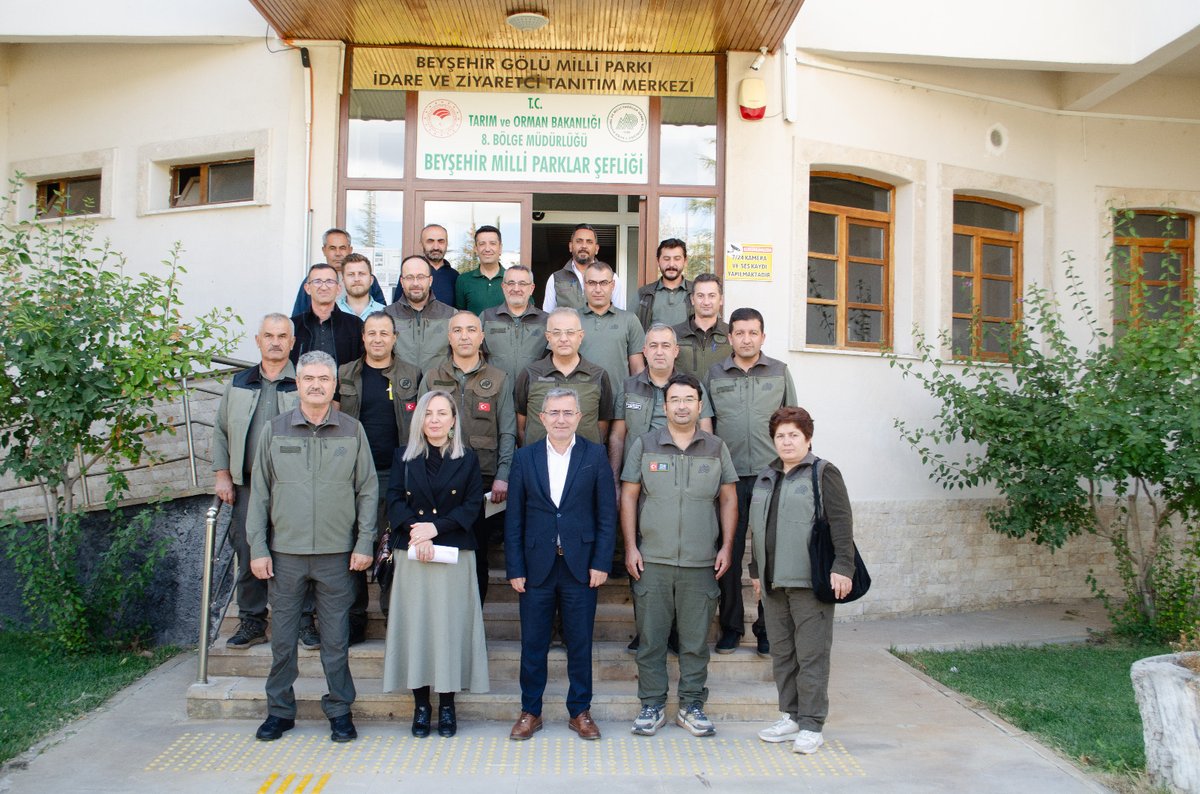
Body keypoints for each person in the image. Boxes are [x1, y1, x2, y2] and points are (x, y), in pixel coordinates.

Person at [246, 351, 377, 744]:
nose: (317, 385)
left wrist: (364, 541)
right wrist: (258, 547)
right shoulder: (274, 430)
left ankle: (340, 710)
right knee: (283, 641)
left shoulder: (352, 430)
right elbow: (259, 494)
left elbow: (368, 490)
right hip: (285, 554)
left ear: (334, 385)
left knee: (335, 641)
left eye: (324, 378)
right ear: (298, 384)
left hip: (337, 556)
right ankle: (279, 711)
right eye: (309, 378)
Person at [620, 373, 738, 738]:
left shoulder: (716, 447)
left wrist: (727, 547)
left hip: (701, 563)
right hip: (652, 561)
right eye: (675, 399)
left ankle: (691, 705)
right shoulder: (644, 444)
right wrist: (631, 547)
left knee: (695, 642)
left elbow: (729, 498)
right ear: (665, 405)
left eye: (689, 399)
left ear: (700, 406)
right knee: (651, 641)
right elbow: (629, 496)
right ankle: (652, 705)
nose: (682, 406)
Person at [504, 388, 616, 741]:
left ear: (579, 417)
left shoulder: (595, 455)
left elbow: (606, 515)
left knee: (580, 643)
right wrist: (515, 567)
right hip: (536, 566)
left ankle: (580, 711)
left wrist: (601, 562)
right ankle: (530, 711)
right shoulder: (525, 457)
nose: (561, 419)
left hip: (580, 567)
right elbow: (514, 518)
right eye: (554, 412)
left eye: (568, 412)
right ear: (542, 418)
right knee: (533, 644)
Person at [749, 406, 856, 755]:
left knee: (811, 656)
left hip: (810, 582)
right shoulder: (767, 476)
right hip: (773, 582)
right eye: (780, 436)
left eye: (793, 435)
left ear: (808, 438)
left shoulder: (823, 473)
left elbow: (841, 522)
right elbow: (758, 529)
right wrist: (755, 571)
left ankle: (812, 725)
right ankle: (791, 716)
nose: (787, 441)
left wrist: (843, 566)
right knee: (783, 653)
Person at [383, 390, 489, 739]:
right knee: (417, 629)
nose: (435, 420)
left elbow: (472, 506)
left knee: (448, 630)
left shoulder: (468, 458)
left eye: (442, 413)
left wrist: (435, 529)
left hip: (454, 552)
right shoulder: (403, 456)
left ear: (453, 420)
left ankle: (446, 705)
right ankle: (421, 705)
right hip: (413, 551)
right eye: (428, 413)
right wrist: (419, 532)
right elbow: (393, 500)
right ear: (419, 419)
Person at [705, 307, 797, 656]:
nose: (746, 339)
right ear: (730, 337)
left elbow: (795, 425)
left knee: (768, 553)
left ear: (762, 336)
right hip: (727, 479)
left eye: (753, 333)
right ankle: (730, 628)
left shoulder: (779, 372)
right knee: (726, 553)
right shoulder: (714, 374)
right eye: (740, 333)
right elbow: (707, 427)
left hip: (769, 477)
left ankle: (766, 629)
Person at [210, 313, 298, 649]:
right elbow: (221, 431)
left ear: (292, 342)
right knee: (248, 552)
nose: (275, 342)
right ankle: (252, 621)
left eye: (282, 336)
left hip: (294, 487)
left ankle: (304, 620)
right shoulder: (238, 384)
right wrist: (222, 475)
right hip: (247, 485)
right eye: (269, 336)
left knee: (298, 553)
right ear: (258, 340)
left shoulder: (303, 381)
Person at [419, 310, 516, 603]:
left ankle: (473, 617)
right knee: (439, 548)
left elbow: (508, 431)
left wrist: (503, 475)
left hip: (482, 481)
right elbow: (418, 431)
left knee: (476, 552)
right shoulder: (432, 376)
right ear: (449, 337)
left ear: (481, 337)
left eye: (471, 330)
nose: (465, 336)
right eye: (458, 330)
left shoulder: (499, 379)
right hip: (436, 480)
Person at [337, 312, 422, 629]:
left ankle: (392, 619)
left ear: (394, 338)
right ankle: (355, 618)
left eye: (384, 333)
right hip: (352, 475)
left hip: (394, 475)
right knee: (354, 543)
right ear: (363, 337)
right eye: (371, 333)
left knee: (392, 547)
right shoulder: (345, 373)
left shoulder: (412, 374)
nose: (377, 339)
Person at [514, 307, 614, 446]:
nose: (563, 339)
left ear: (580, 336)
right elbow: (521, 427)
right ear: (548, 337)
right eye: (556, 333)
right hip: (539, 458)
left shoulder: (598, 376)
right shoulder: (530, 374)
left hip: (584, 458)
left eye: (570, 333)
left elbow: (602, 427)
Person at [577, 261, 645, 411]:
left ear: (612, 285)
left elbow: (637, 369)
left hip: (619, 404)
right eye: (592, 283)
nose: (598, 289)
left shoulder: (629, 320)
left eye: (604, 283)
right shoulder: (571, 319)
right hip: (579, 403)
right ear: (584, 285)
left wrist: (636, 404)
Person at [480, 264, 548, 393]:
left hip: (533, 393)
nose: (516, 289)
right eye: (511, 283)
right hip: (494, 393)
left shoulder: (546, 321)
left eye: (522, 284)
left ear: (531, 288)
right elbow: (476, 356)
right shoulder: (486, 317)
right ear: (503, 287)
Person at [384, 254, 456, 373]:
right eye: (409, 277)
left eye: (421, 277)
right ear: (402, 281)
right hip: (399, 383)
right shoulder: (386, 316)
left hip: (439, 384)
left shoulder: (451, 315)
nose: (415, 283)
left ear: (430, 280)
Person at [292, 228, 386, 317]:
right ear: (324, 250)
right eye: (332, 248)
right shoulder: (313, 281)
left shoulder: (366, 279)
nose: (338, 253)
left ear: (350, 250)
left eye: (342, 248)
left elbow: (382, 314)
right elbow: (299, 317)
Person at [290, 263, 365, 367]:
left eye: (330, 282)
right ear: (307, 288)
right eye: (317, 281)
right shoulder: (293, 326)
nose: (324, 287)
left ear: (338, 289)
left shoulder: (355, 325)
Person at [542, 223, 626, 312]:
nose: (584, 246)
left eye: (589, 242)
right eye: (579, 241)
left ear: (596, 249)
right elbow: (547, 316)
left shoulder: (611, 278)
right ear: (570, 246)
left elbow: (620, 315)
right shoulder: (556, 278)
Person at [673, 273, 730, 381]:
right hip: (684, 391)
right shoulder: (674, 334)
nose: (706, 302)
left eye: (712, 296)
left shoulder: (732, 334)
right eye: (700, 296)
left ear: (721, 299)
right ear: (692, 299)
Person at [393, 224, 458, 308]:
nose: (436, 247)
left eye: (441, 241)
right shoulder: (410, 274)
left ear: (446, 244)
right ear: (421, 244)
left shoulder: (455, 276)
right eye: (430, 241)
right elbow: (397, 309)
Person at [635, 238, 694, 330]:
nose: (671, 264)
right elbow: (630, 329)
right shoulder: (643, 294)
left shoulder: (696, 292)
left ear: (685, 261)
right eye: (666, 259)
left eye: (677, 259)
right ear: (658, 261)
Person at [455, 225, 506, 314]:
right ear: (476, 249)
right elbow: (460, 316)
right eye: (482, 244)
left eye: (492, 243)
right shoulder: (463, 280)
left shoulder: (513, 280)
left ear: (500, 248)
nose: (487, 249)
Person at [336, 253, 387, 320]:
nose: (356, 279)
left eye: (361, 274)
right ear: (343, 281)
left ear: (371, 280)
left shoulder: (384, 312)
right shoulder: (332, 310)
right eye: (351, 274)